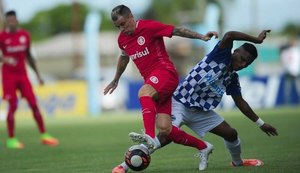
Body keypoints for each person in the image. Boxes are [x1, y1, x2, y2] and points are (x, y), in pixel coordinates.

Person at [112, 30, 278, 173]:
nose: (241, 63)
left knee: (231, 133)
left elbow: (240, 102)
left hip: (200, 112)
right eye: (241, 58)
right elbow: (230, 35)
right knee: (165, 136)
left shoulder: (232, 78)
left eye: (246, 63)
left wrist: (260, 123)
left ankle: (238, 162)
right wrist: (256, 40)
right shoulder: (220, 55)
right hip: (179, 103)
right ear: (234, 52)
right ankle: (124, 166)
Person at [104, 4, 218, 171]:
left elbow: (177, 30)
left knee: (144, 92)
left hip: (165, 73)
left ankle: (149, 136)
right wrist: (115, 79)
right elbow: (124, 58)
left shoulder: (149, 27)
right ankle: (203, 147)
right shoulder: (122, 39)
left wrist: (201, 36)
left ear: (131, 17)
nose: (122, 28)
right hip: (154, 82)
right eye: (118, 26)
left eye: (123, 24)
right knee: (165, 129)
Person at [0, 10, 59, 149]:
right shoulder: (2, 37)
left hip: (23, 75)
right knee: (13, 105)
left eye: (13, 20)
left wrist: (38, 75)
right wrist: (4, 58)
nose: (11, 23)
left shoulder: (24, 35)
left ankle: (44, 135)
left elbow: (29, 56)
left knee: (33, 104)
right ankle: (11, 139)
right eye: (9, 21)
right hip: (8, 75)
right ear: (6, 22)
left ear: (17, 20)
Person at [279, 39, 300, 105]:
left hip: (291, 71)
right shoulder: (294, 50)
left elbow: (283, 60)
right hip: (292, 71)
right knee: (289, 88)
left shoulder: (288, 51)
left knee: (290, 88)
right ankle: (287, 102)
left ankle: (287, 103)